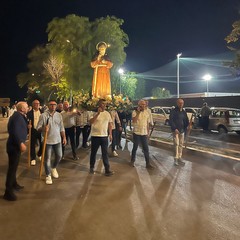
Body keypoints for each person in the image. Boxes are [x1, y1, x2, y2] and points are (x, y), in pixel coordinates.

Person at [37, 100, 67, 185]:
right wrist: (43, 129)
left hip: (57, 140)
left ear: (56, 106)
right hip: (47, 141)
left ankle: (53, 167)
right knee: (47, 159)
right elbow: (38, 128)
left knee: (59, 156)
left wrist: (64, 137)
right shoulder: (43, 116)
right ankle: (48, 175)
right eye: (51, 105)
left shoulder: (59, 115)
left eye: (54, 105)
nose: (53, 106)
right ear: (48, 105)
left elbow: (62, 128)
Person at [3, 101, 28, 201]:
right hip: (14, 146)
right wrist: (20, 143)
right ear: (21, 108)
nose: (27, 108)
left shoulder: (18, 115)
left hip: (14, 146)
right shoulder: (17, 117)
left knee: (14, 167)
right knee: (12, 169)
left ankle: (14, 184)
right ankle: (8, 192)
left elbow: (19, 128)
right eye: (26, 107)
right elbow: (14, 131)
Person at [89, 99, 114, 176]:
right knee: (93, 153)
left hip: (104, 136)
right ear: (99, 104)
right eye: (103, 103)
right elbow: (91, 122)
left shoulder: (107, 113)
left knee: (105, 153)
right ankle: (92, 167)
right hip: (95, 136)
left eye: (105, 104)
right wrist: (97, 114)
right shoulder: (93, 113)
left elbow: (110, 124)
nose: (104, 105)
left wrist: (110, 134)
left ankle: (107, 169)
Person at [131, 100, 154, 169]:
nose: (143, 106)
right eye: (142, 104)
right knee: (135, 147)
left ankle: (148, 163)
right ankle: (132, 160)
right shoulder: (134, 112)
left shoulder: (147, 112)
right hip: (137, 132)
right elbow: (134, 121)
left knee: (146, 148)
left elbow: (147, 123)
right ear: (139, 105)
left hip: (144, 133)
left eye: (144, 104)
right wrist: (138, 112)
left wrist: (148, 133)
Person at [169, 98, 189, 166]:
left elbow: (186, 120)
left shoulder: (183, 111)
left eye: (182, 103)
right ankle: (176, 159)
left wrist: (188, 125)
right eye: (180, 103)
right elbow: (171, 121)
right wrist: (174, 128)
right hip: (176, 131)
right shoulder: (173, 111)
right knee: (176, 145)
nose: (181, 104)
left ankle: (180, 157)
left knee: (181, 144)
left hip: (182, 130)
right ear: (177, 103)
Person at [27, 99, 43, 166]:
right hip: (33, 131)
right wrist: (28, 125)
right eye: (35, 103)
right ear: (32, 105)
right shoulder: (29, 113)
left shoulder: (43, 112)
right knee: (32, 145)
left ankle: (39, 154)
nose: (37, 105)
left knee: (42, 143)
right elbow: (26, 121)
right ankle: (33, 158)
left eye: (38, 103)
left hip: (41, 130)